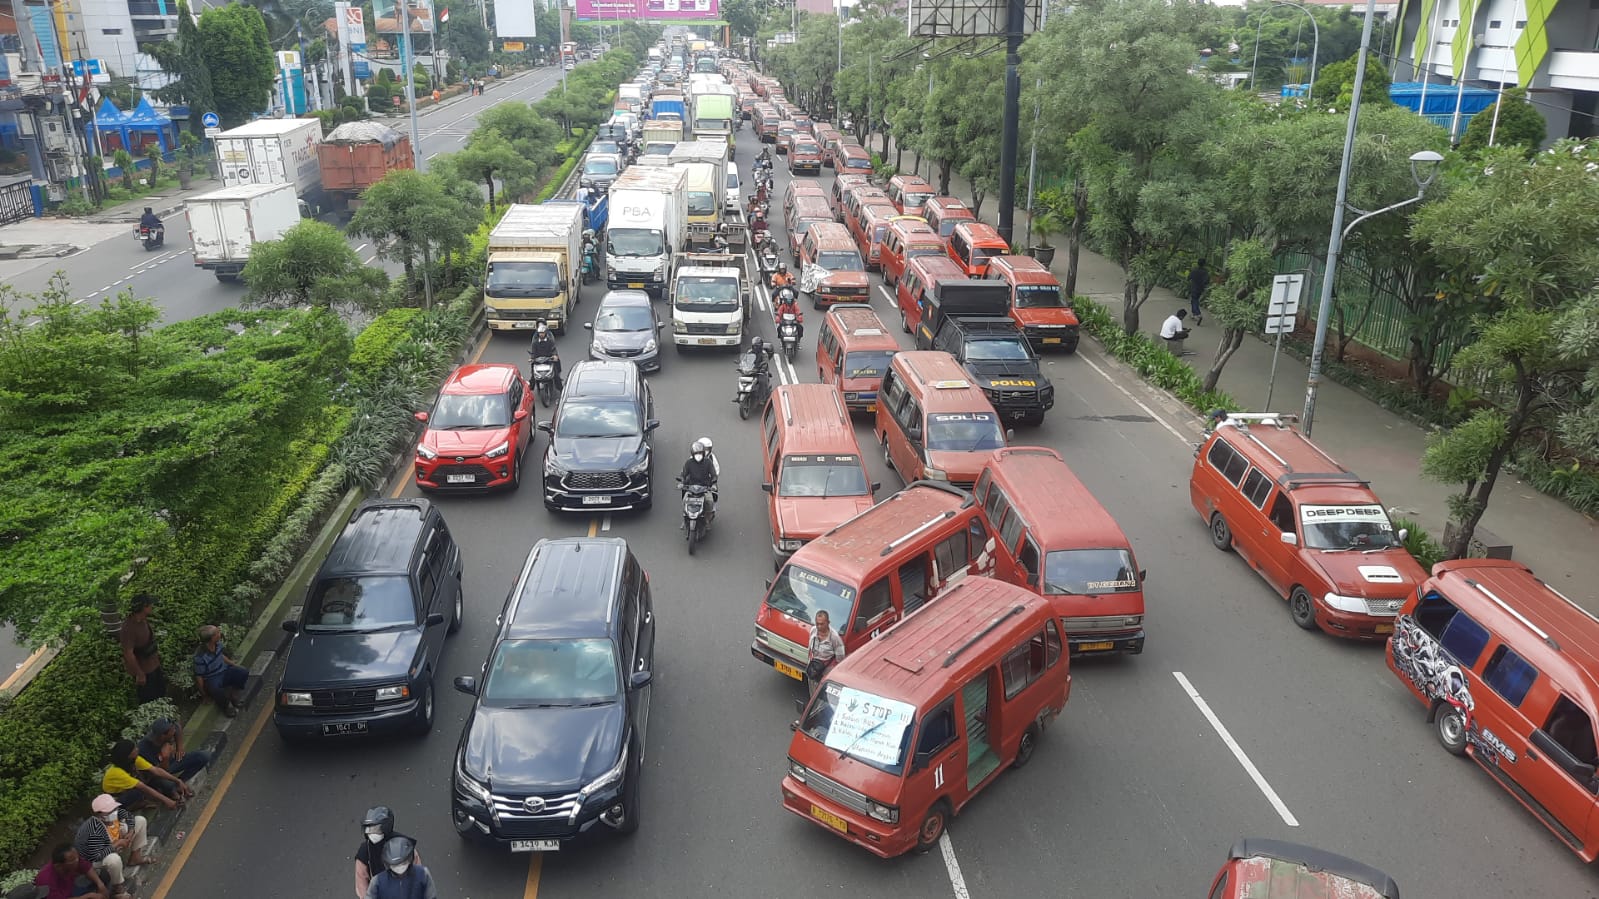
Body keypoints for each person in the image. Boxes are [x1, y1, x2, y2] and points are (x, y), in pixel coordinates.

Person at [74, 795, 152, 898]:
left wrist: (131, 831)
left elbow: (129, 816)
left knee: (140, 820)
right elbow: (97, 856)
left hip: (113, 842)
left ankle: (135, 857)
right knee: (113, 859)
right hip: (94, 859)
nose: (114, 811)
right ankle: (117, 886)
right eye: (110, 810)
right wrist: (118, 844)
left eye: (114, 808)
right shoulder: (93, 830)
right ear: (100, 814)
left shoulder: (115, 813)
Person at [354, 807, 423, 899]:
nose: (371, 833)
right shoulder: (364, 852)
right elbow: (361, 883)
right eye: (369, 828)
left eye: (375, 828)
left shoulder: (404, 845)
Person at [136, 718, 209, 800]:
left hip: (172, 761)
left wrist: (179, 747)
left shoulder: (165, 734)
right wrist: (165, 757)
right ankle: (174, 788)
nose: (174, 731)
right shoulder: (144, 749)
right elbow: (160, 772)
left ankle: (180, 783)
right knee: (168, 785)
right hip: (157, 773)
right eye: (172, 730)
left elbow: (177, 728)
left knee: (203, 756)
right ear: (163, 735)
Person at [101, 740, 180, 812]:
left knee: (151, 777)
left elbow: (156, 770)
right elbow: (142, 787)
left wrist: (178, 781)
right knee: (138, 791)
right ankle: (131, 807)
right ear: (128, 755)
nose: (137, 749)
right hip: (115, 800)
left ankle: (168, 792)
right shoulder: (117, 772)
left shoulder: (133, 760)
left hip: (126, 791)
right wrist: (166, 801)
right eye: (134, 749)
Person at [192, 624, 249, 717]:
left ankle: (234, 695)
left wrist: (233, 664)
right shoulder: (200, 657)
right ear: (211, 638)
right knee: (216, 690)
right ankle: (227, 706)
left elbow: (220, 656)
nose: (220, 633)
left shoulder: (218, 644)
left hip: (224, 670)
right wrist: (204, 695)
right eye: (217, 633)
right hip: (212, 677)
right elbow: (199, 677)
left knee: (243, 672)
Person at [118, 594, 164, 704]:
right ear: (144, 607)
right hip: (145, 672)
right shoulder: (128, 628)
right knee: (150, 700)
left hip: (154, 666)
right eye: (150, 605)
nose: (152, 607)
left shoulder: (144, 620)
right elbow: (128, 653)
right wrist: (139, 673)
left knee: (161, 695)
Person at [363, 837, 437, 899]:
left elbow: (431, 897)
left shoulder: (423, 874)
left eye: (403, 863)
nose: (400, 868)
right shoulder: (378, 881)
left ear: (409, 859)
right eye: (395, 865)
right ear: (388, 864)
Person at [34, 843, 111, 899]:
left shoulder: (74, 860)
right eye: (73, 860)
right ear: (59, 866)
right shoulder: (45, 880)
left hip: (72, 887)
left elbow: (86, 867)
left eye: (77, 857)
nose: (77, 860)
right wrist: (87, 896)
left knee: (103, 875)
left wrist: (100, 884)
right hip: (65, 896)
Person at [805, 610, 846, 689]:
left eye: (822, 624)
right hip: (813, 667)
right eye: (817, 624)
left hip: (825, 671)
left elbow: (840, 659)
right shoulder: (813, 630)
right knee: (812, 690)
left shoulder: (835, 638)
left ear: (828, 622)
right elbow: (810, 648)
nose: (819, 627)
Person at [679, 439, 718, 517]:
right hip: (692, 488)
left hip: (705, 488)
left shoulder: (708, 462)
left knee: (710, 502)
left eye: (700, 453)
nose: (698, 456)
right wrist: (681, 483)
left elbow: (714, 475)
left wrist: (713, 484)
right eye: (696, 454)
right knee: (684, 501)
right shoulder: (689, 463)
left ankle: (707, 519)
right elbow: (683, 474)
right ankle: (686, 516)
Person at [528, 321, 563, 390]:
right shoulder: (535, 343)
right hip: (538, 361)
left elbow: (553, 349)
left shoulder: (550, 341)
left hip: (548, 360)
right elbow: (533, 352)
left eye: (542, 333)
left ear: (545, 333)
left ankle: (560, 389)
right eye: (540, 333)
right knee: (533, 375)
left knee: (556, 375)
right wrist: (532, 359)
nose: (541, 334)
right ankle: (530, 388)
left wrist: (554, 356)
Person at [1188, 257, 1210, 324]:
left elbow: (1188, 277)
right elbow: (1207, 281)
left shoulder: (1194, 270)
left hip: (1194, 287)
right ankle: (1194, 314)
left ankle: (1198, 314)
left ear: (1198, 263)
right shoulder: (1205, 272)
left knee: (1194, 300)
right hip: (1200, 288)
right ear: (1204, 264)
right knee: (1194, 300)